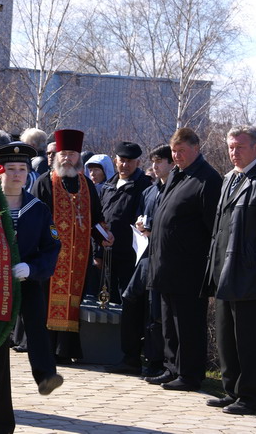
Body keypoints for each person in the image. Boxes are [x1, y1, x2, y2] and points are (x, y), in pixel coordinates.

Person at [202, 126, 256, 415]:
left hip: (249, 273)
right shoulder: (229, 179)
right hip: (223, 271)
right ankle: (232, 391)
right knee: (226, 337)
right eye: (230, 147)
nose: (233, 152)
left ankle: (249, 397)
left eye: (240, 147)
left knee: (248, 340)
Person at [146, 127, 222, 391]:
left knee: (188, 323)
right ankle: (171, 368)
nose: (176, 156)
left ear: (196, 149)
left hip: (190, 267)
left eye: (182, 152)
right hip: (166, 264)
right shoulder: (177, 175)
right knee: (168, 321)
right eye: (174, 151)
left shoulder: (207, 179)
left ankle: (189, 375)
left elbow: (214, 227)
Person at [32, 129, 113, 364]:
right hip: (50, 257)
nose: (67, 158)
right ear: (57, 155)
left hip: (78, 257)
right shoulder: (45, 182)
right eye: (63, 153)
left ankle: (66, 351)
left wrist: (104, 237)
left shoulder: (87, 185)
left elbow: (95, 218)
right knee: (48, 302)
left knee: (74, 301)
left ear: (79, 157)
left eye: (72, 154)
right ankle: (46, 348)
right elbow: (36, 218)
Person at [0, 142, 63, 395]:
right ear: (0, 171)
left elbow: (52, 247)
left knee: (36, 324)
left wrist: (32, 269)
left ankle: (46, 375)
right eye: (11, 168)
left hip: (26, 280)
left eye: (22, 168)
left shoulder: (37, 209)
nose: (17, 174)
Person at [99, 142, 153, 374]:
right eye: (121, 160)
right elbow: (100, 216)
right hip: (106, 254)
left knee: (129, 305)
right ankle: (106, 350)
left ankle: (131, 357)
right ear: (115, 160)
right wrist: (97, 251)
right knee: (104, 303)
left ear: (138, 163)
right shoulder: (109, 185)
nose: (125, 164)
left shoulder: (143, 186)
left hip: (131, 257)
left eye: (130, 161)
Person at [122, 144, 173, 377]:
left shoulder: (173, 190)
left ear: (171, 164)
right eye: (153, 161)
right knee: (130, 300)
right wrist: (141, 225)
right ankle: (130, 357)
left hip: (163, 258)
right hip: (144, 255)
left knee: (155, 310)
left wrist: (154, 231)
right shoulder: (150, 191)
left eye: (160, 161)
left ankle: (156, 361)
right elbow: (141, 217)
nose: (155, 166)